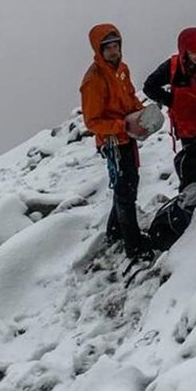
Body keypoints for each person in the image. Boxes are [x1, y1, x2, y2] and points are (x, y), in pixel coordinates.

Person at [80, 25, 154, 261]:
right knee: (126, 191)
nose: (114, 52)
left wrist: (141, 113)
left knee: (127, 184)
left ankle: (114, 231)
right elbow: (92, 122)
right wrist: (121, 126)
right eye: (108, 48)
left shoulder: (122, 69)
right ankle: (134, 246)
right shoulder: (94, 80)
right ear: (99, 50)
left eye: (116, 46)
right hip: (113, 142)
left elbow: (129, 97)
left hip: (128, 136)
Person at [143, 27, 196, 195]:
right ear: (184, 51)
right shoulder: (172, 67)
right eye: (192, 52)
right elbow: (149, 86)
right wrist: (171, 101)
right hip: (191, 133)